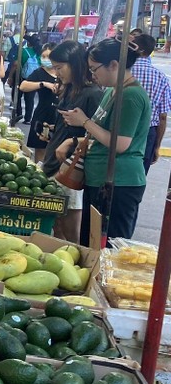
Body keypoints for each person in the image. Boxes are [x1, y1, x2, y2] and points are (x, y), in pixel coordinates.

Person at [60, 38, 151, 245]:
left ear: (114, 65)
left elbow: (120, 144)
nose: (93, 75)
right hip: (98, 178)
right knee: (90, 243)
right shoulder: (111, 91)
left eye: (94, 69)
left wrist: (83, 121)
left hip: (119, 183)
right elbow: (101, 134)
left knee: (109, 247)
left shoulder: (131, 96)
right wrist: (74, 141)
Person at [42, 40, 101, 243]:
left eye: (60, 67)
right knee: (57, 228)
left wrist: (72, 140)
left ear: (75, 64)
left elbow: (97, 135)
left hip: (71, 168)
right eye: (55, 67)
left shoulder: (92, 94)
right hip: (53, 162)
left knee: (70, 233)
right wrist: (53, 132)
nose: (57, 73)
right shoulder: (68, 89)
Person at [129, 33, 171, 174]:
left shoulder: (123, 71)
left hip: (121, 127)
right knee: (138, 174)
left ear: (136, 48)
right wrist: (157, 146)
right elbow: (163, 116)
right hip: (147, 133)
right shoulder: (161, 77)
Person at [19, 45, 58, 163]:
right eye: (43, 56)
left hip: (59, 116)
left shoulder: (63, 73)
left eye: (49, 57)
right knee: (40, 150)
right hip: (42, 114)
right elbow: (23, 86)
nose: (45, 59)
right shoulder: (39, 72)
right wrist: (43, 84)